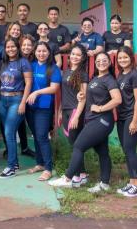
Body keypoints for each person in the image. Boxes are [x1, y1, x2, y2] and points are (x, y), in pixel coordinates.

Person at [49, 52, 121, 192]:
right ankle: (104, 184)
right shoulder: (96, 78)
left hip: (102, 120)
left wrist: (100, 108)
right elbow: (89, 97)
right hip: (94, 120)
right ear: (95, 63)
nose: (101, 62)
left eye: (104, 60)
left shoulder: (109, 80)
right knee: (103, 153)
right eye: (98, 61)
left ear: (110, 63)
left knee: (78, 146)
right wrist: (81, 96)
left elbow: (117, 100)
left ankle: (68, 178)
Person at [0, 38, 33, 178]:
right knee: (9, 133)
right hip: (2, 100)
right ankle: (15, 163)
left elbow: (28, 83)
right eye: (8, 47)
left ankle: (11, 166)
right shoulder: (4, 63)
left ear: (17, 48)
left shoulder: (23, 62)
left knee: (9, 132)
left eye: (13, 47)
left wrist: (23, 102)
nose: (10, 49)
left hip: (16, 100)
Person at [26, 42, 60, 181]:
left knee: (42, 136)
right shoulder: (31, 65)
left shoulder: (53, 68)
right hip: (30, 107)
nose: (41, 53)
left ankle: (48, 168)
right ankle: (39, 164)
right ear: (35, 52)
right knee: (35, 135)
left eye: (44, 51)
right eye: (39, 51)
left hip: (44, 107)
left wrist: (37, 93)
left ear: (49, 52)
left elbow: (54, 88)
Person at [115, 46, 137, 197]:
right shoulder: (120, 75)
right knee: (126, 150)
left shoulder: (135, 75)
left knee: (130, 149)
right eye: (120, 58)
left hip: (132, 117)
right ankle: (132, 182)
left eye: (125, 57)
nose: (122, 60)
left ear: (131, 58)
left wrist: (134, 121)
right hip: (121, 118)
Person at [59, 45, 89, 187]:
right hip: (65, 110)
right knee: (74, 143)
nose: (75, 57)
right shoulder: (66, 72)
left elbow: (83, 97)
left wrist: (77, 116)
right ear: (69, 55)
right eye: (73, 54)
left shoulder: (82, 73)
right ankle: (82, 174)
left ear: (82, 58)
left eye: (78, 55)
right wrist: (59, 110)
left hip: (74, 111)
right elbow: (64, 93)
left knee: (75, 144)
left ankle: (76, 175)